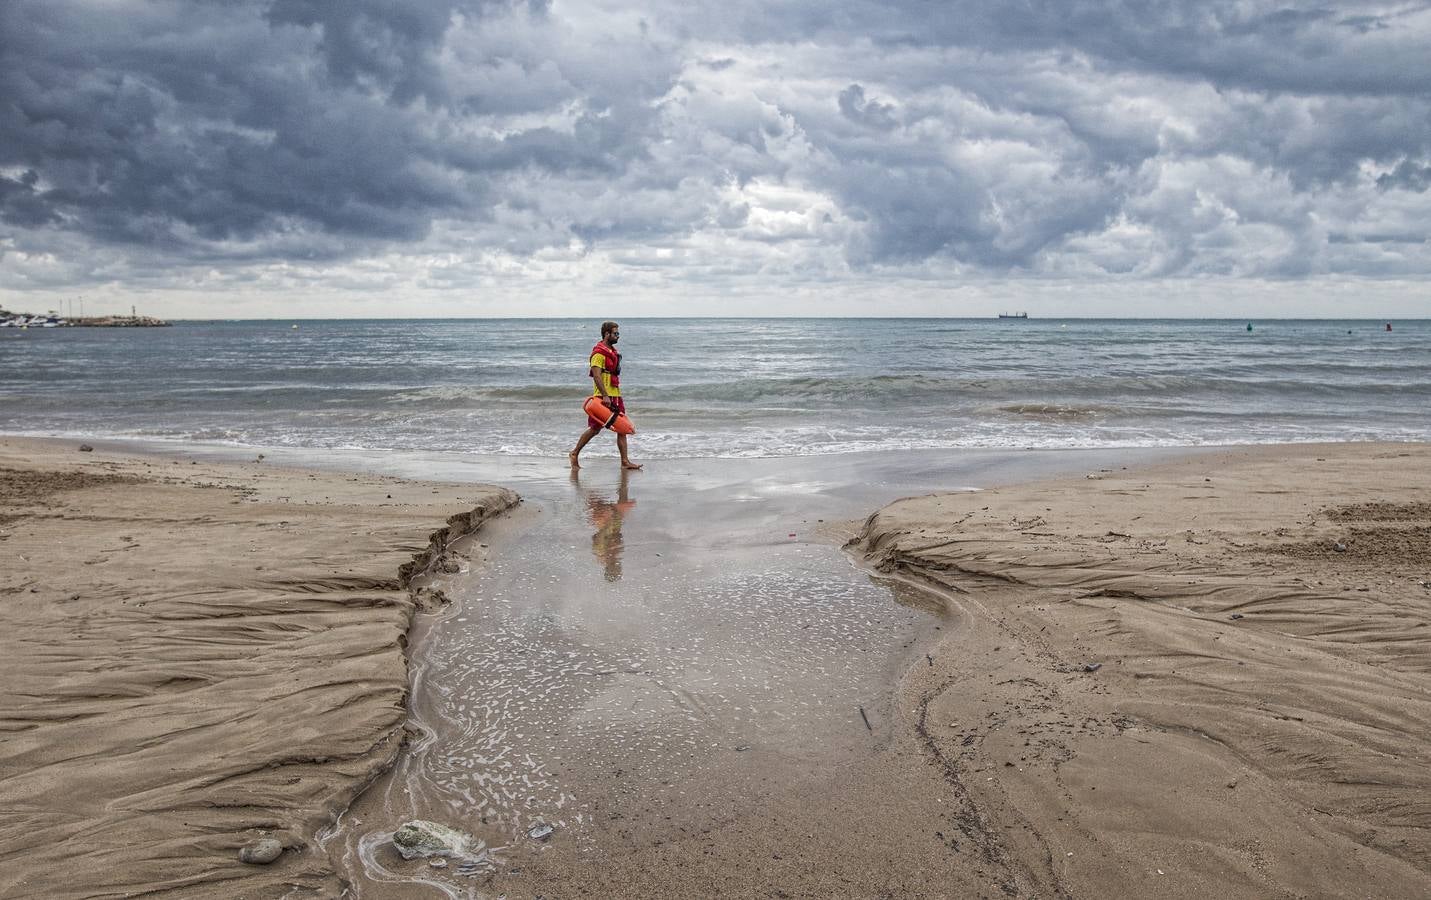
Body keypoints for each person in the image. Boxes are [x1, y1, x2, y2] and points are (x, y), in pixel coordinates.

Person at [570, 321, 642, 470]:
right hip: (603, 397)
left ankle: (624, 461)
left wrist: (612, 396)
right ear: (607, 334)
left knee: (622, 428)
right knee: (595, 429)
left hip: (616, 394)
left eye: (618, 334)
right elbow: (597, 377)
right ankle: (574, 453)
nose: (618, 336)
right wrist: (605, 396)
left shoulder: (613, 352)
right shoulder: (598, 354)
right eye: (615, 333)